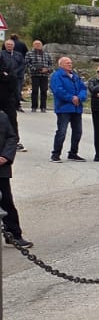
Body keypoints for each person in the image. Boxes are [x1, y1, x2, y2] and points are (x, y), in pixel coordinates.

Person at [48, 57, 88, 162]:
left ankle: (73, 153)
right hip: (64, 108)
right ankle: (55, 154)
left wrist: (79, 97)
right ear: (60, 65)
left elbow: (83, 88)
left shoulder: (75, 76)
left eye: (70, 63)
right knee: (61, 132)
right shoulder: (57, 76)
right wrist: (71, 98)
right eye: (67, 63)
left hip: (76, 108)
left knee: (78, 132)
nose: (70, 64)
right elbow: (58, 90)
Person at [0, 111, 28, 249]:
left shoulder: (2, 115)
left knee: (6, 202)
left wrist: (5, 157)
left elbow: (12, 137)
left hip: (1, 168)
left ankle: (14, 235)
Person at [25, 40, 51, 113]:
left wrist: (47, 69)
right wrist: (35, 69)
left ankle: (43, 107)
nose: (38, 45)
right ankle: (34, 107)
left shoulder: (47, 54)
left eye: (39, 44)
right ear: (33, 45)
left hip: (44, 75)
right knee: (35, 91)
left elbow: (51, 64)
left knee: (44, 91)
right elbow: (27, 63)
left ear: (42, 45)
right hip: (35, 75)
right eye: (36, 44)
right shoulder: (29, 53)